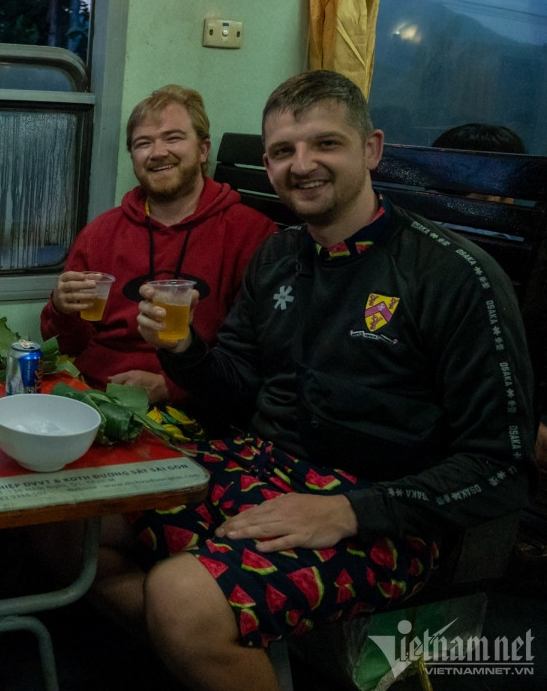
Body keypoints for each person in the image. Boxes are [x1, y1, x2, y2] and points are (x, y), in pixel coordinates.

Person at [104, 70, 535, 691]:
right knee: (74, 522)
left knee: (180, 598)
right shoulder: (278, 257)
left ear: (371, 149)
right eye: (283, 150)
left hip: (386, 513)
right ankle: (204, 654)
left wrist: (349, 511)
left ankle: (196, 635)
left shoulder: (454, 276)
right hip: (259, 463)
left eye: (325, 143)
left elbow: (500, 465)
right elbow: (236, 387)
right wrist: (184, 349)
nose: (301, 164)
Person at [40, 84, 274, 404]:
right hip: (93, 396)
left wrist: (171, 387)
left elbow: (253, 360)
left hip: (195, 405)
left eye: (173, 138)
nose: (158, 152)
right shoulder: (99, 234)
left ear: (203, 150)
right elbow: (66, 347)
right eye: (143, 143)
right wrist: (60, 308)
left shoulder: (252, 234)